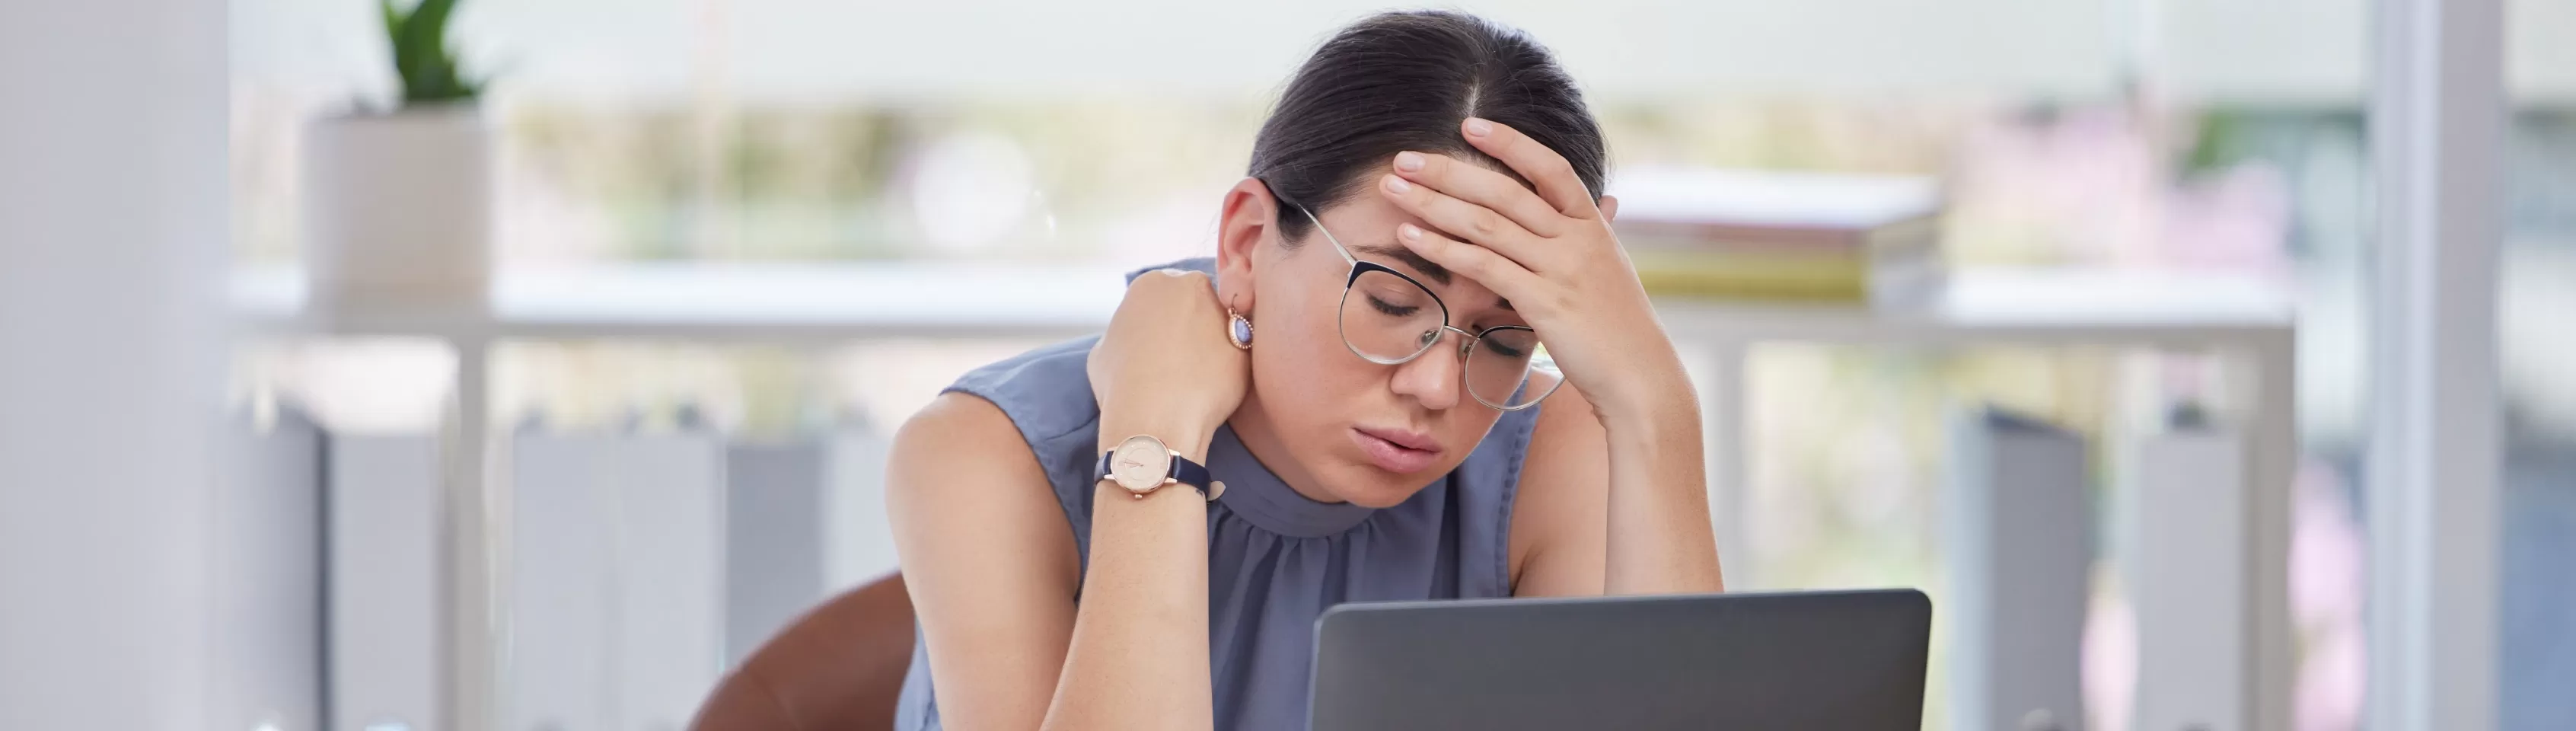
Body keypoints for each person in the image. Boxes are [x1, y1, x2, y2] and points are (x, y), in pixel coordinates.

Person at [888, 10, 1724, 731]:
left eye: (1504, 338)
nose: (1437, 388)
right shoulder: (985, 456)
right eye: (1393, 303)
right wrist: (1155, 444)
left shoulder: (1552, 448)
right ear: (1248, 242)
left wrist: (1654, 400)